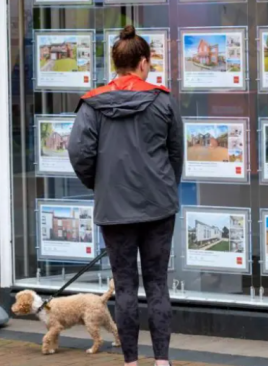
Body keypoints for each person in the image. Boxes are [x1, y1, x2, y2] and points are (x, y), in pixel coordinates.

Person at [68, 25, 182, 366]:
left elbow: (78, 153)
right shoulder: (163, 101)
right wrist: (164, 185)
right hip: (159, 207)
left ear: (116, 63)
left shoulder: (92, 104)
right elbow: (176, 154)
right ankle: (162, 361)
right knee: (158, 284)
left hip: (114, 207)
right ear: (143, 63)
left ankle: (130, 362)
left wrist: (99, 184)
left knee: (126, 287)